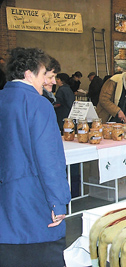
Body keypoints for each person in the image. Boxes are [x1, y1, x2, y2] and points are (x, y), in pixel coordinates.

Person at [0, 47, 71, 267]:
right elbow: (49, 159)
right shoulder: (38, 105)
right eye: (44, 75)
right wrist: (59, 202)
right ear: (29, 74)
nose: (47, 82)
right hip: (31, 196)